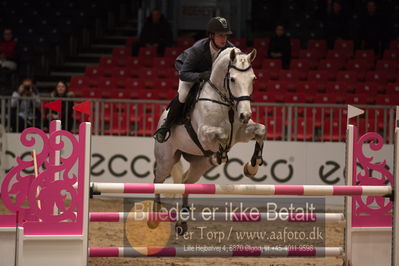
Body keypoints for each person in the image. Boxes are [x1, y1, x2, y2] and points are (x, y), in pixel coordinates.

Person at [153, 17, 234, 143]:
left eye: (226, 35)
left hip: (209, 75)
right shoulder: (198, 49)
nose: (224, 39)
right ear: (211, 35)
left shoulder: (229, 49)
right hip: (190, 71)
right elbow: (184, 74)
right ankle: (166, 126)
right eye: (220, 35)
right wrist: (200, 76)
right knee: (184, 94)